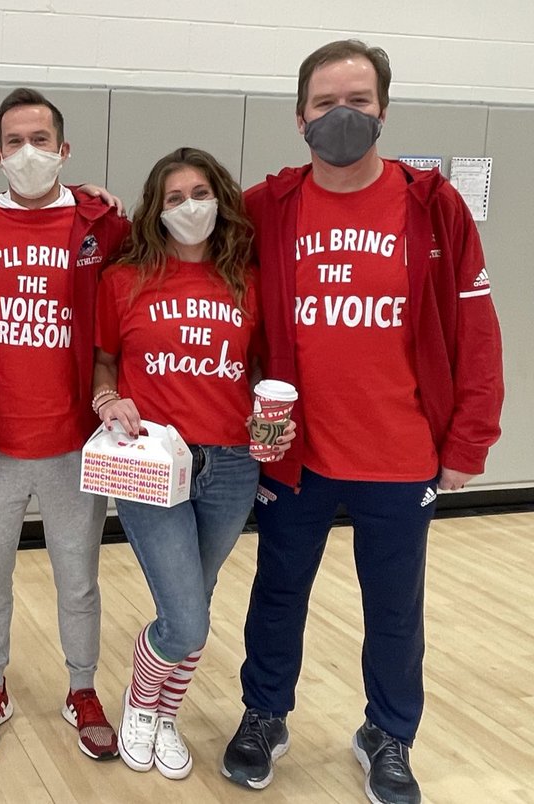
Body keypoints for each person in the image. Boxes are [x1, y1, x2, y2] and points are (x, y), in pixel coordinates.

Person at [220, 40, 504, 804]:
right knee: (277, 593)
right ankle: (264, 714)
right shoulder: (266, 207)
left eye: (358, 101)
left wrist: (468, 439)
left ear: (383, 109)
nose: (342, 115)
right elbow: (194, 272)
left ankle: (389, 732)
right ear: (299, 117)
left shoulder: (430, 204)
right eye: (325, 103)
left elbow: (475, 331)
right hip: (295, 455)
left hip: (402, 453)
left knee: (394, 609)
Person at [0, 88, 129, 760]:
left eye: (42, 141)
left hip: (73, 449)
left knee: (78, 579)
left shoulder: (102, 227)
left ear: (64, 150)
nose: (29, 153)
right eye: (16, 142)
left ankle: (81, 687)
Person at [93, 147, 283, 780]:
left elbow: (259, 366)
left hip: (231, 464)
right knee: (187, 616)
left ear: (220, 199)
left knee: (194, 602)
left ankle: (163, 715)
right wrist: (106, 396)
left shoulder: (246, 279)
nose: (189, 206)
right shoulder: (124, 279)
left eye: (199, 193)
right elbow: (103, 358)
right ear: (156, 209)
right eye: (173, 198)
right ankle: (141, 706)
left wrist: (267, 412)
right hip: (153, 459)